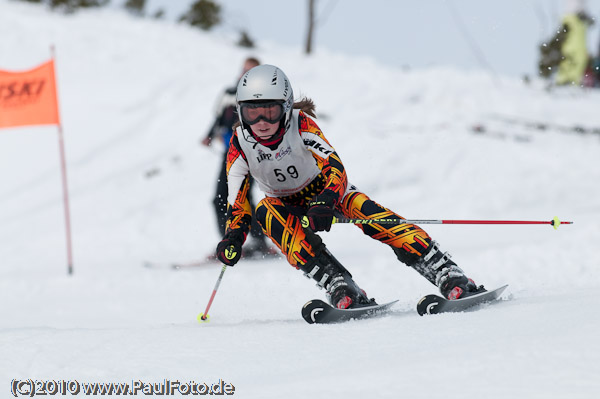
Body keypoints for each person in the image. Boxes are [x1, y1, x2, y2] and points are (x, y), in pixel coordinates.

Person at [215, 65, 484, 309]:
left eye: (270, 112)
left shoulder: (301, 124)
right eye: (252, 113)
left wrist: (326, 199)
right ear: (240, 111)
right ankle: (338, 283)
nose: (261, 123)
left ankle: (445, 271)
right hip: (285, 205)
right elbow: (237, 200)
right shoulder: (240, 143)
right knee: (265, 212)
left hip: (327, 192)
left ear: (285, 108)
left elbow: (334, 166)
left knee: (375, 219)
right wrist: (234, 236)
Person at [202, 57, 273, 257]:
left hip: (251, 154)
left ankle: (251, 242)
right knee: (220, 198)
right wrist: (208, 136)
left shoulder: (264, 96)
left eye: (252, 71)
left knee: (241, 197)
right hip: (229, 152)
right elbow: (218, 118)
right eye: (245, 70)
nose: (246, 74)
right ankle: (230, 242)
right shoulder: (229, 93)